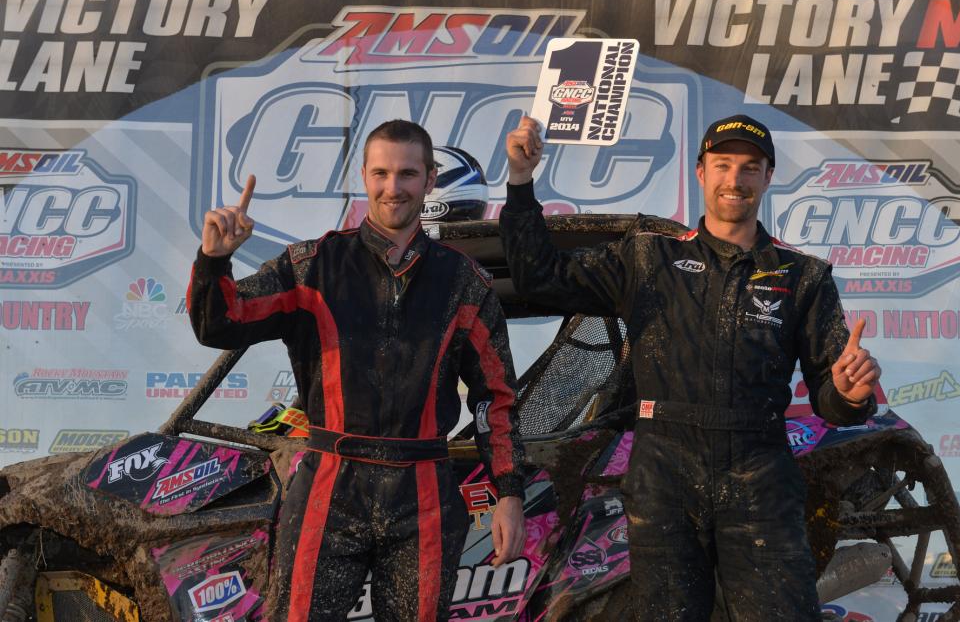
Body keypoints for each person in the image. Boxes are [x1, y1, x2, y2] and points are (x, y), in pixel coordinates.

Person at [500, 114, 880, 621]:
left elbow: (835, 400)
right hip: (664, 474)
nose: (735, 179)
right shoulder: (647, 257)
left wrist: (850, 395)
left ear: (768, 178)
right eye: (723, 165)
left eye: (750, 168)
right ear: (700, 172)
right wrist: (521, 184)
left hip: (760, 474)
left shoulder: (803, 275)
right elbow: (538, 278)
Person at [188, 119, 526, 621]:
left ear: (430, 179)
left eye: (408, 174)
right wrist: (214, 262)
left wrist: (510, 493)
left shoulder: (464, 282)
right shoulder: (312, 266)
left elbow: (494, 398)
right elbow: (223, 322)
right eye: (382, 174)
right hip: (329, 484)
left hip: (424, 494)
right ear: (364, 177)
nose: (394, 188)